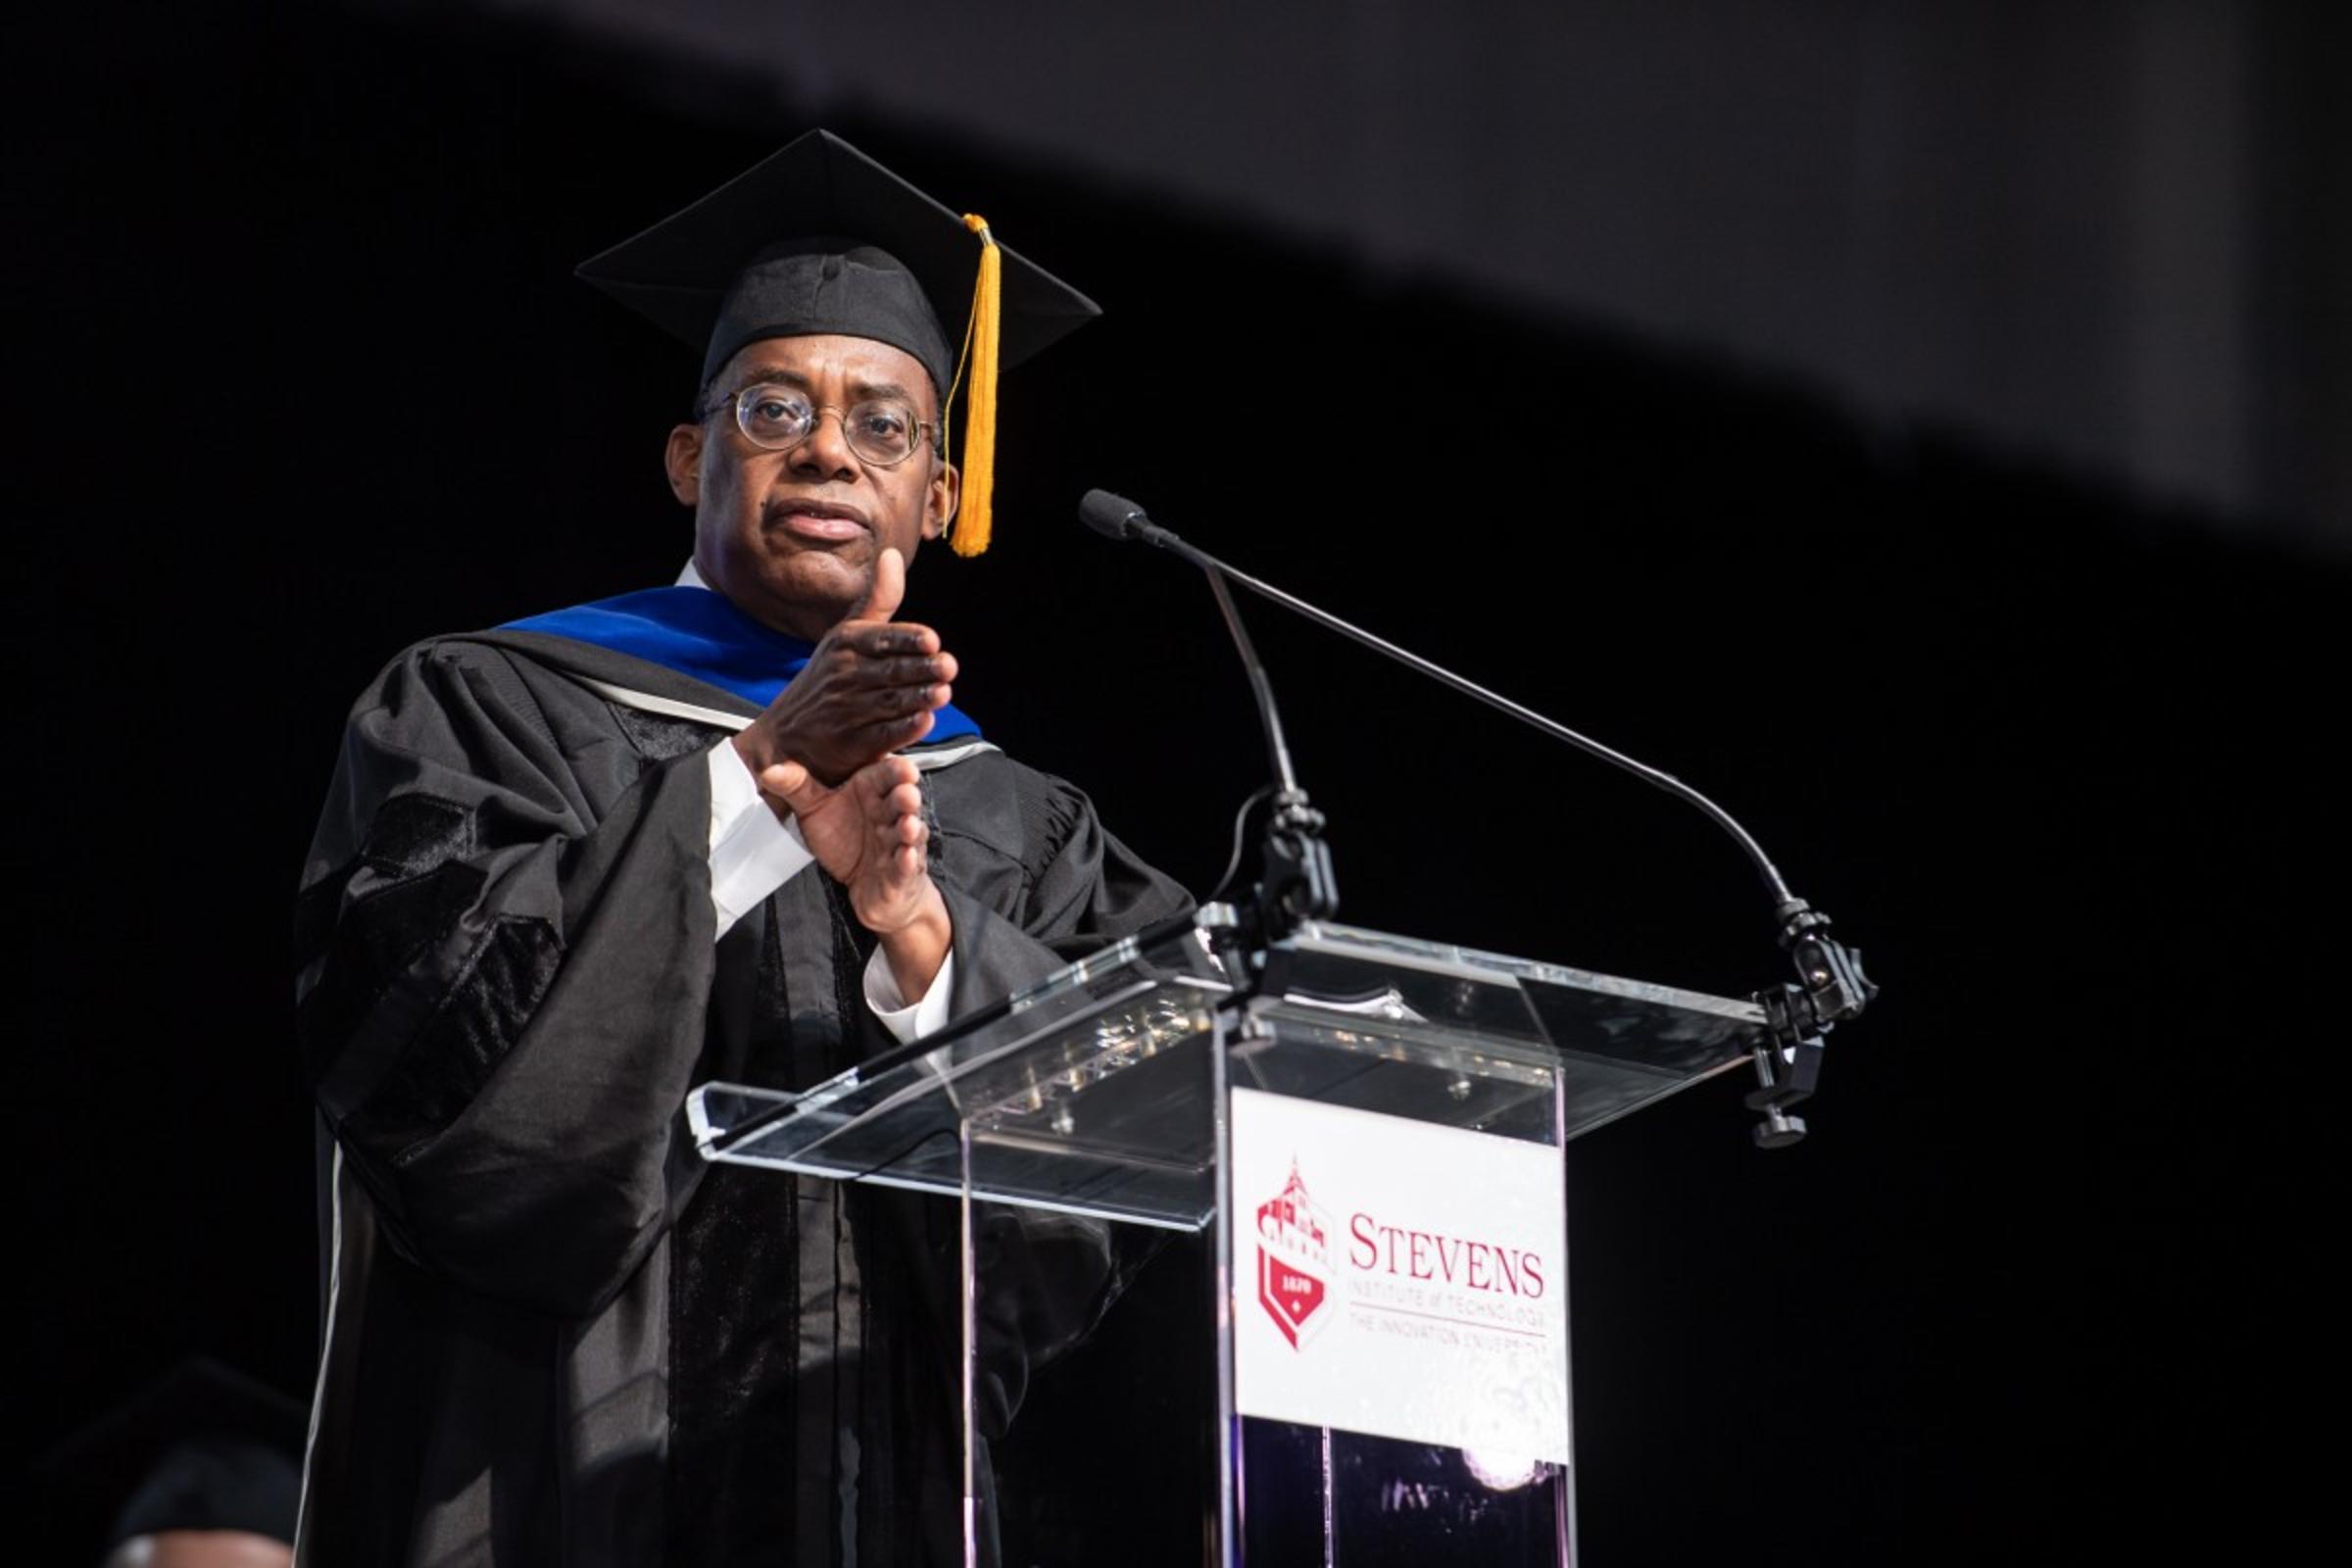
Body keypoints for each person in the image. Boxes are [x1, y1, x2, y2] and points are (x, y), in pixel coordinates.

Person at [292, 129, 1192, 1567]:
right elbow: (428, 1086)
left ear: (941, 495)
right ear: (688, 457)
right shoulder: (485, 712)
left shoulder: (1015, 823)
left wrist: (919, 933)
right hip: (552, 1501)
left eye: (884, 424)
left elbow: (1111, 1213)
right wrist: (752, 786)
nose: (829, 447)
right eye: (776, 408)